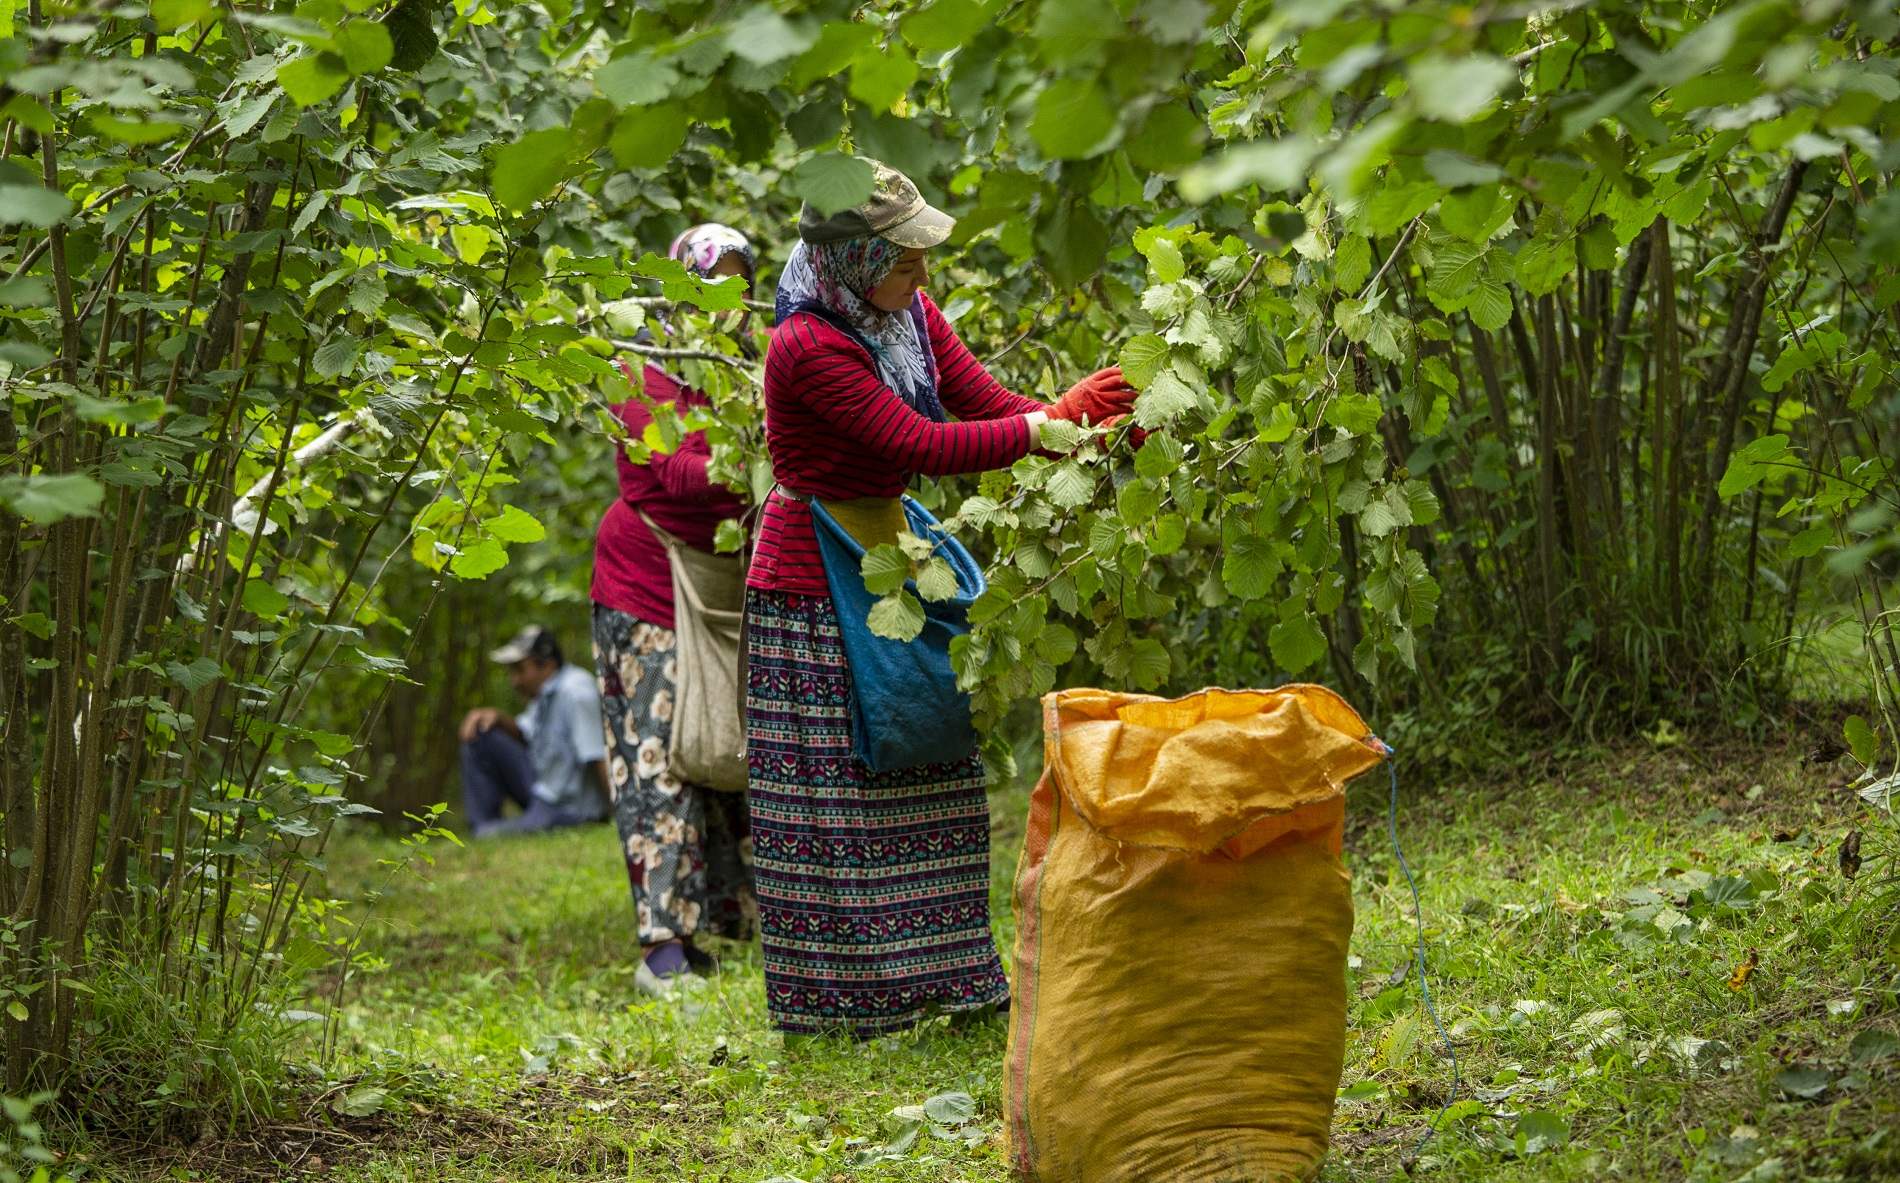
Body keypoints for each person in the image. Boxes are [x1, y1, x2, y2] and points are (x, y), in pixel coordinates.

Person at [743, 160, 1139, 1035]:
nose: (924, 273)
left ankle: (949, 980)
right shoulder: (805, 345)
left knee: (929, 753)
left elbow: (989, 405)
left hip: (891, 554)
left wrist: (1081, 429)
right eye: (906, 257)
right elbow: (922, 439)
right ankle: (849, 1005)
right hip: (815, 575)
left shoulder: (907, 316)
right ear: (852, 257)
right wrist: (1042, 426)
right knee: (840, 789)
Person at [591, 223, 759, 996]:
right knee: (658, 755)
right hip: (645, 585)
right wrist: (763, 458)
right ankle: (662, 946)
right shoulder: (643, 372)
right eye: (708, 284)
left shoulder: (746, 371)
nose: (723, 301)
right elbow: (680, 473)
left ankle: (730, 918)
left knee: (725, 747)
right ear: (679, 290)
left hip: (723, 589)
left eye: (737, 283)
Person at [459, 625, 610, 837]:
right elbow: (524, 733)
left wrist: (619, 817)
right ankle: (482, 825)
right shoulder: (545, 694)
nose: (515, 681)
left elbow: (597, 757)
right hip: (544, 791)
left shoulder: (576, 692)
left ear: (547, 665)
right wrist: (497, 718)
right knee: (481, 735)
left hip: (569, 809)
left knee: (489, 835)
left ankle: (487, 832)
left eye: (520, 670)